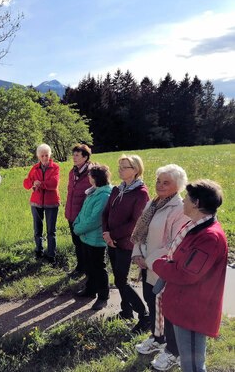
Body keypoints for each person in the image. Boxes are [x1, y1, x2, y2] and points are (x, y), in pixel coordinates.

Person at [152, 180, 228, 372]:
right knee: (188, 361)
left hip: (193, 311)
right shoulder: (195, 226)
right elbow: (180, 256)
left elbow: (186, 274)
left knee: (192, 366)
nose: (183, 201)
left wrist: (158, 263)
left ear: (196, 203)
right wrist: (167, 260)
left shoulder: (209, 236)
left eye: (186, 197)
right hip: (183, 305)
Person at [131, 164, 190, 369]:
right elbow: (141, 231)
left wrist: (148, 260)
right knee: (151, 300)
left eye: (166, 182)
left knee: (166, 308)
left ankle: (173, 351)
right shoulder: (153, 203)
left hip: (163, 267)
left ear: (178, 186)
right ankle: (157, 338)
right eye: (158, 181)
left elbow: (174, 243)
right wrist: (137, 253)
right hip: (147, 264)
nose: (160, 185)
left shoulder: (180, 209)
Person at [102, 154, 149, 331]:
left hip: (126, 243)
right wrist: (106, 233)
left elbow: (135, 222)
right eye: (119, 166)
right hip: (111, 240)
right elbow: (106, 212)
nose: (120, 170)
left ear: (135, 170)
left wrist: (113, 235)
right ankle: (126, 310)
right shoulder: (117, 189)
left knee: (121, 280)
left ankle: (144, 316)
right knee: (118, 277)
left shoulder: (141, 193)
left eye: (124, 167)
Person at [73, 164, 112, 310]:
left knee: (98, 268)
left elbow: (95, 219)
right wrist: (77, 223)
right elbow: (83, 212)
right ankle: (90, 290)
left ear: (95, 178)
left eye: (90, 175)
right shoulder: (94, 192)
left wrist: (78, 229)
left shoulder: (103, 196)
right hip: (85, 236)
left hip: (95, 239)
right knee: (89, 266)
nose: (88, 177)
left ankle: (103, 296)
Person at [23, 144, 60, 263]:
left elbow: (53, 184)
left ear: (50, 155)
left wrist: (40, 184)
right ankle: (39, 252)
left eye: (47, 155)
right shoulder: (34, 168)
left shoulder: (55, 167)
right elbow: (26, 183)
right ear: (38, 156)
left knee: (51, 231)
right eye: (42, 155)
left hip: (51, 203)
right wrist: (33, 183)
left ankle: (51, 256)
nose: (45, 158)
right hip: (36, 202)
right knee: (37, 230)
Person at [64, 144, 93, 278]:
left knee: (85, 243)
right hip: (72, 213)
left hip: (84, 215)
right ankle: (80, 267)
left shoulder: (91, 173)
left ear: (85, 157)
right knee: (76, 243)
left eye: (77, 155)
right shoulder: (72, 172)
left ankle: (88, 269)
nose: (74, 158)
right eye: (73, 155)